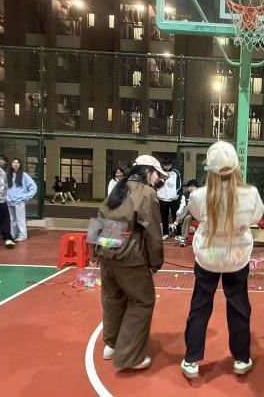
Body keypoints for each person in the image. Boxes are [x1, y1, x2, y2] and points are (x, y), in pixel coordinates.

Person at [180, 141, 264, 379]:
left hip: (208, 257)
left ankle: (192, 359)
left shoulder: (199, 195)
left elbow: (196, 215)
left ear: (209, 168)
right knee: (238, 305)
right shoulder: (250, 193)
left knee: (200, 305)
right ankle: (241, 358)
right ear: (236, 166)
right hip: (236, 258)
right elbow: (256, 217)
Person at [96, 155, 168, 370]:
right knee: (143, 300)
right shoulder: (146, 192)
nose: (158, 179)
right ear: (148, 172)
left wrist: (95, 251)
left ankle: (111, 344)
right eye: (157, 175)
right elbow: (153, 231)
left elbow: (100, 219)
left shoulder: (118, 188)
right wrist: (156, 261)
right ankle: (129, 355)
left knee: (113, 299)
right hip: (130, 257)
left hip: (106, 252)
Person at [6, 158, 37, 242]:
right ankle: (13, 234)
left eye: (17, 163)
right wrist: (6, 197)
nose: (15, 164)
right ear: (11, 164)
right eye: (14, 162)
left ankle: (23, 235)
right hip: (9, 201)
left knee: (20, 219)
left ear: (20, 165)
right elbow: (4, 187)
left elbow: (33, 187)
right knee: (12, 219)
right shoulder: (7, 174)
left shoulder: (24, 175)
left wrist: (26, 197)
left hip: (19, 201)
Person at [168, 179, 199, 247]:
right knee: (188, 217)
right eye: (189, 186)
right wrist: (178, 212)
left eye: (193, 186)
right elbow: (182, 205)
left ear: (197, 187)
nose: (191, 188)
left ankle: (175, 223)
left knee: (189, 205)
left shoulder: (200, 195)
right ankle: (183, 238)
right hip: (188, 214)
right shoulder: (185, 195)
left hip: (198, 213)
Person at [157, 157, 182, 240]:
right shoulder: (159, 172)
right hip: (162, 199)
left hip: (173, 199)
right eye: (165, 165)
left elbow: (179, 185)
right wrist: (163, 179)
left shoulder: (176, 173)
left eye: (168, 165)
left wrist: (175, 194)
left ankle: (178, 234)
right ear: (163, 165)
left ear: (171, 164)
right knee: (164, 217)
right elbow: (156, 185)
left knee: (176, 216)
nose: (167, 166)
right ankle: (165, 233)